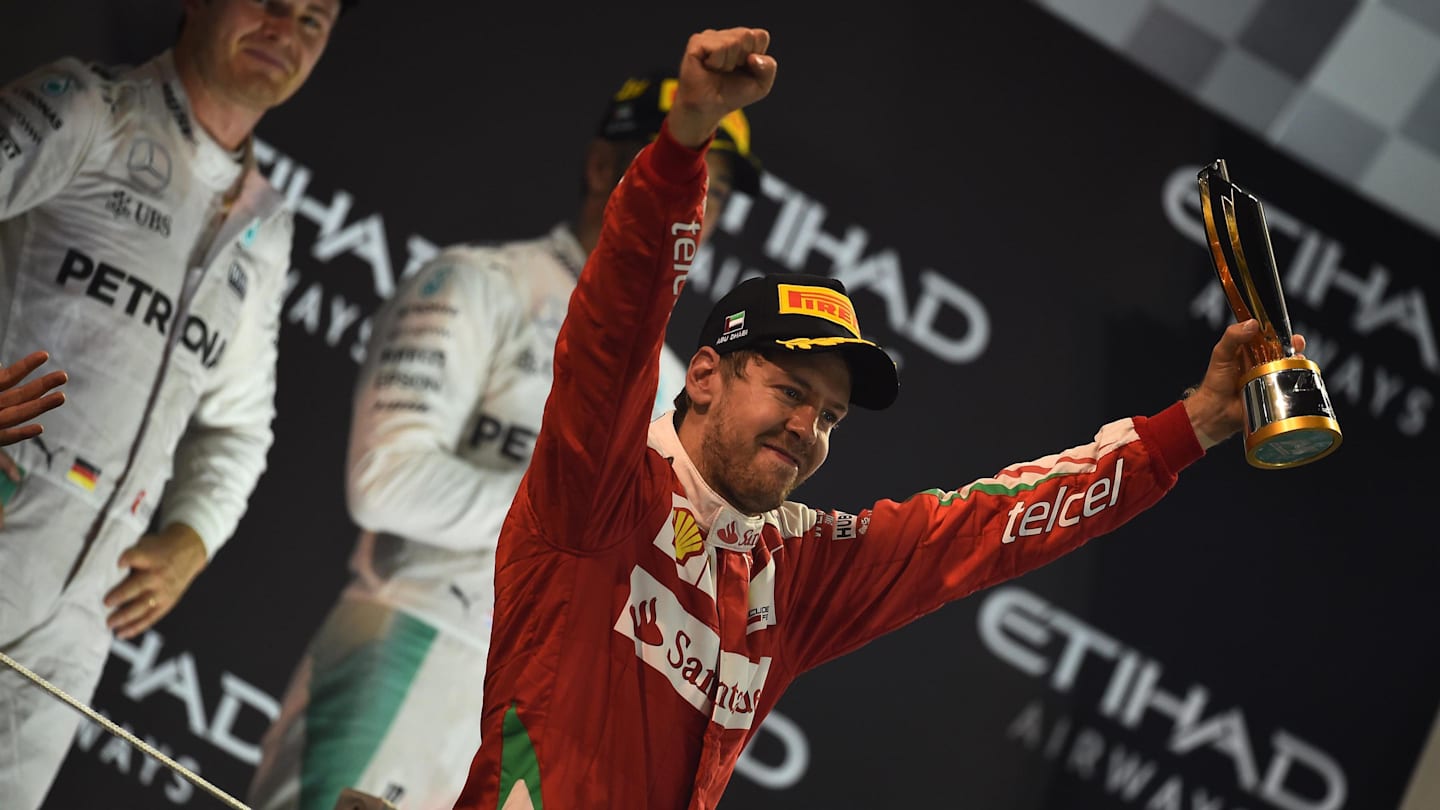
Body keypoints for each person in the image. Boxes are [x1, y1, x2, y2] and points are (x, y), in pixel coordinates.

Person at [449, 26, 1306, 810]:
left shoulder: (795, 573)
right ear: (704, 375)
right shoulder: (599, 486)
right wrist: (684, 144)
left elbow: (991, 525)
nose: (808, 429)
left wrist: (1191, 424)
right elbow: (619, 317)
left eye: (830, 417)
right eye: (791, 393)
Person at [244, 71, 763, 810]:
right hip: (414, 642)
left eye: (708, 188)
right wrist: (574, 516)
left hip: (544, 707)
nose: (690, 201)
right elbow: (384, 480)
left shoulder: (680, 386)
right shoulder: (480, 284)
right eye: (674, 169)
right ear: (600, 167)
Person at [0, 2, 348, 807]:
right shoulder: (87, 110)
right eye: (267, 1)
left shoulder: (267, 225)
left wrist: (193, 536)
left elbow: (239, 425)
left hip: (81, 615)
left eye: (312, 19)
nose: (283, 31)